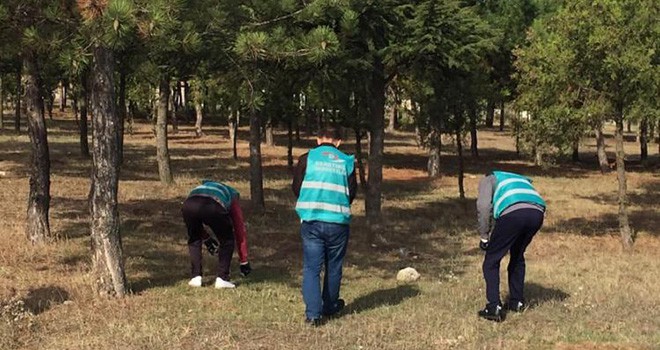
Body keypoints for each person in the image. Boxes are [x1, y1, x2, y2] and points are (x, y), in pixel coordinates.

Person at [292, 127, 357, 326]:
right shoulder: (346, 161)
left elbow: (296, 187)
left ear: (318, 139)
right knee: (334, 266)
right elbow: (352, 192)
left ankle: (313, 315)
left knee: (312, 267)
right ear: (338, 142)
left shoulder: (306, 158)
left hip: (311, 220)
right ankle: (330, 306)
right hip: (337, 222)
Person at [476, 170, 546, 322]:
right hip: (537, 212)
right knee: (517, 256)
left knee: (491, 261)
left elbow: (483, 207)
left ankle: (493, 307)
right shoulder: (520, 178)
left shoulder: (488, 179)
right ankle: (517, 302)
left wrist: (484, 236)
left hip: (513, 213)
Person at [181, 180, 251, 289]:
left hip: (188, 204)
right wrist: (244, 261)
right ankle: (223, 278)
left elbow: (197, 214)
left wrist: (206, 238)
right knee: (227, 240)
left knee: (194, 239)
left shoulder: (201, 188)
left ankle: (195, 277)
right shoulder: (232, 195)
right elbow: (239, 228)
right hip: (213, 206)